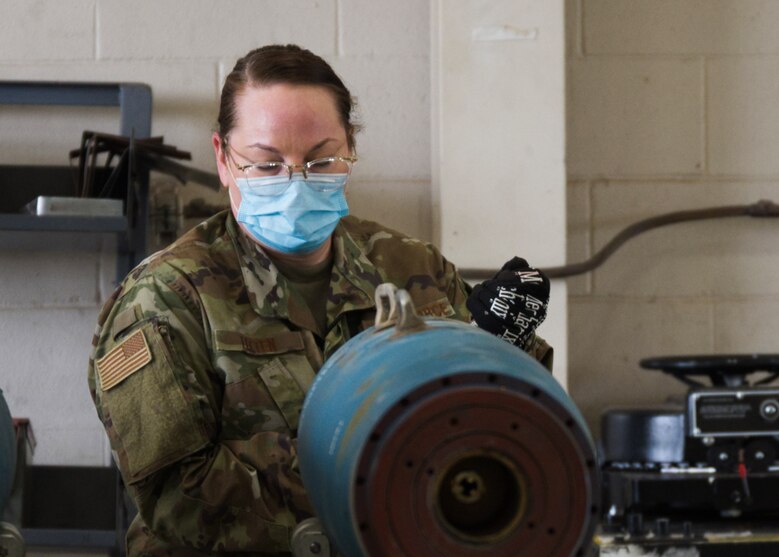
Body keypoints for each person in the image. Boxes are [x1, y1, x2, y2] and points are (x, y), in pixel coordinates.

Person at [88, 44, 552, 556]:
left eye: (321, 160)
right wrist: (384, 464)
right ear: (223, 159)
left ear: (350, 148)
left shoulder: (410, 267)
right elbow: (178, 496)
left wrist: (498, 352)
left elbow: (520, 430)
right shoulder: (165, 298)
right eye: (266, 166)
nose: (296, 183)